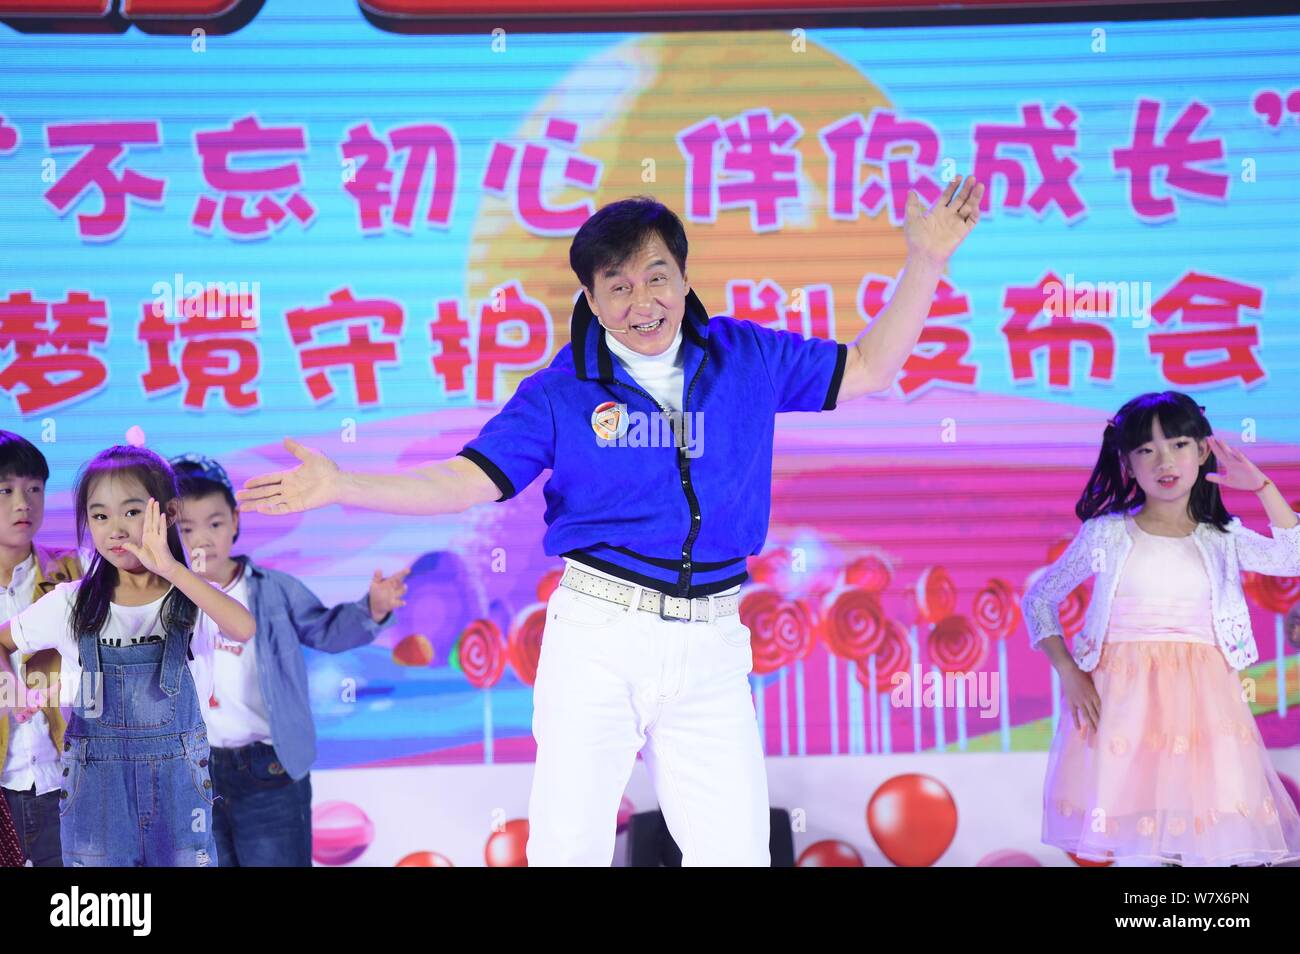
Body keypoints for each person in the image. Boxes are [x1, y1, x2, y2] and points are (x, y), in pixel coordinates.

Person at [236, 181, 984, 865]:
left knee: (738, 855)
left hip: (713, 640)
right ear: (592, 301)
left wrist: (925, 260)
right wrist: (342, 484)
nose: (641, 301)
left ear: (685, 280)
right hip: (600, 634)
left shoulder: (746, 356)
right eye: (617, 287)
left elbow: (870, 367)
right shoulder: (560, 391)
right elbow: (467, 479)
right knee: (571, 850)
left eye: (656, 276)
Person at [1024, 391, 1300, 866]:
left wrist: (1262, 489)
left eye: (1177, 444)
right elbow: (1039, 599)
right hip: (1122, 701)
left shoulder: (1223, 538)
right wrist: (1068, 671)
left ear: (1202, 451)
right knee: (1148, 834)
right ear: (1127, 464)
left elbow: (1291, 557)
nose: (1164, 460)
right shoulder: (1107, 533)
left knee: (1203, 829)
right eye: (1146, 450)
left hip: (1205, 704)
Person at [0, 446, 255, 867]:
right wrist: (13, 689)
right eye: (99, 516)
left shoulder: (192, 598)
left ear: (169, 513)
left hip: (179, 800)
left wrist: (173, 569)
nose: (114, 529)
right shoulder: (72, 602)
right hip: (97, 799)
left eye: (131, 512)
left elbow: (244, 628)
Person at [171, 453, 407, 867]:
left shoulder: (273, 589)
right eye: (186, 528)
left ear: (236, 523)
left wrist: (371, 609)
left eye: (215, 523)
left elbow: (325, 631)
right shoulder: (162, 598)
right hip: (191, 771)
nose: (202, 539)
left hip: (269, 768)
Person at [0, 431, 84, 866]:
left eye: (34, 488)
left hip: (65, 780)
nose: (23, 503)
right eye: (6, 489)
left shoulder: (76, 571)